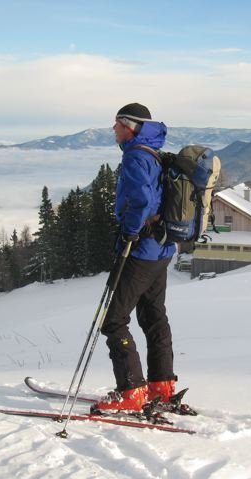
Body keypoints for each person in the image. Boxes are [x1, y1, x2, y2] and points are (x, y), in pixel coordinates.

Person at [93, 103, 177, 413]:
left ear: (129, 126)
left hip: (141, 249)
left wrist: (130, 232)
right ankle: (161, 386)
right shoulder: (152, 151)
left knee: (113, 320)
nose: (113, 129)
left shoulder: (135, 156)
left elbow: (141, 200)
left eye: (116, 123)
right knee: (154, 316)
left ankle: (131, 390)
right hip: (161, 249)